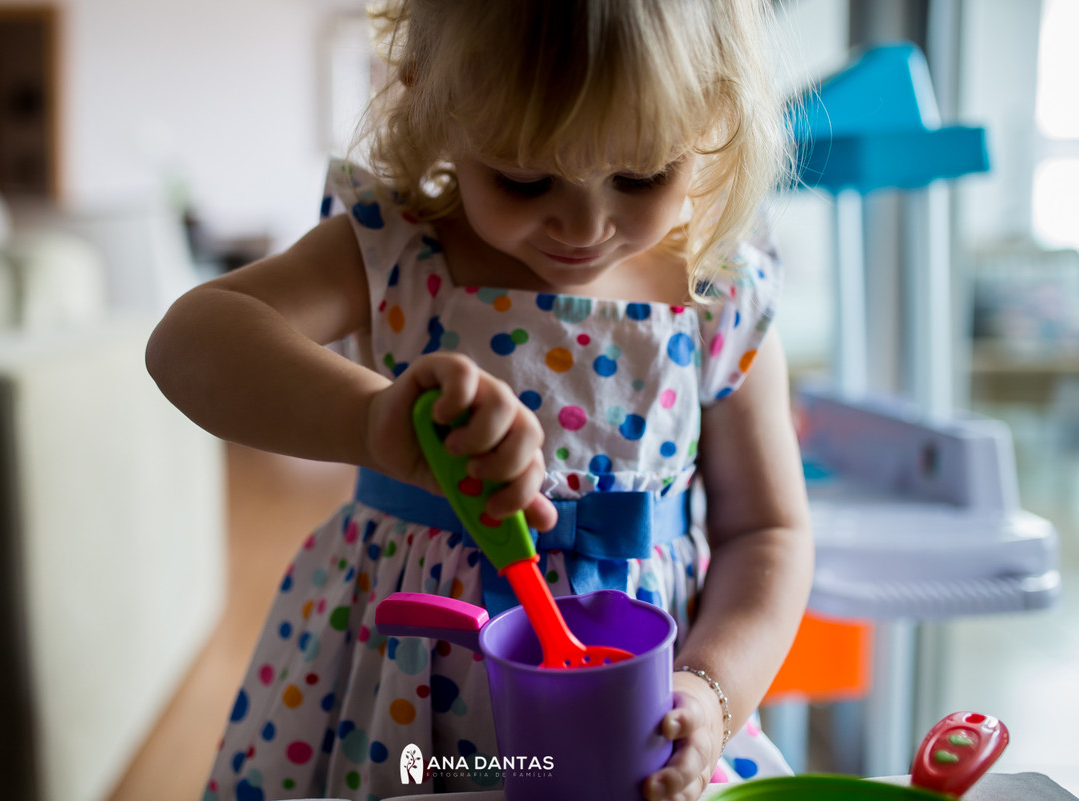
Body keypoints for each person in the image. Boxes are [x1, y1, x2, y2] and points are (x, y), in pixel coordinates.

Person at [146, 1, 814, 799]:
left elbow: (769, 533)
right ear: (430, 99)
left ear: (709, 115)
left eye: (641, 175)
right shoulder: (399, 248)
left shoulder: (717, 292)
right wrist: (371, 419)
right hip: (405, 713)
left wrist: (711, 687)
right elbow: (189, 341)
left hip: (636, 724)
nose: (584, 222)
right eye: (525, 177)